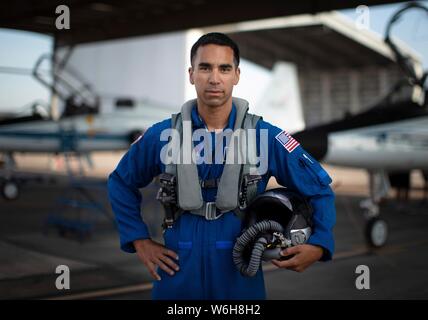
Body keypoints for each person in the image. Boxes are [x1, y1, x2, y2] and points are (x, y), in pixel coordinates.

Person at [108, 32, 336, 300]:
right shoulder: (162, 136)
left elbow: (319, 188)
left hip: (238, 275)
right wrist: (139, 240)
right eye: (205, 67)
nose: (214, 78)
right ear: (192, 74)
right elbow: (120, 182)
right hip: (177, 275)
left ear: (236, 75)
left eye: (224, 68)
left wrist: (320, 244)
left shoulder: (265, 136)